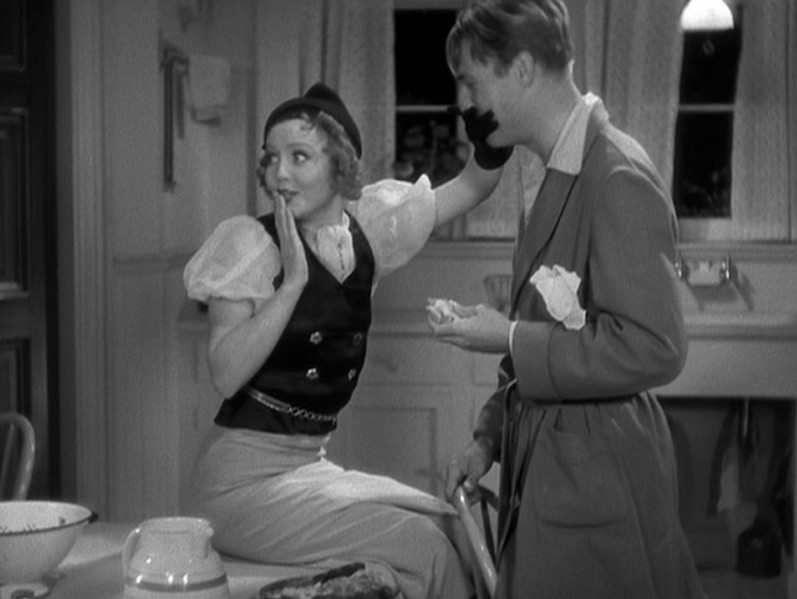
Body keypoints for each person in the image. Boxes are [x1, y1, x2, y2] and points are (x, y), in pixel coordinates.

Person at [183, 82, 505, 599]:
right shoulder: (249, 244)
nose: (279, 173)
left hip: (308, 468)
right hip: (238, 486)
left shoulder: (368, 235)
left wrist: (490, 130)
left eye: (299, 156)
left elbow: (473, 186)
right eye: (271, 157)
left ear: (341, 166)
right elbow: (225, 374)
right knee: (429, 548)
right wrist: (292, 283)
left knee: (453, 527)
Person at [428, 1, 705, 598]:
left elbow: (655, 346)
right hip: (554, 472)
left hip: (601, 479)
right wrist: (487, 439)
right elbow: (540, 334)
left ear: (522, 69)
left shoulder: (617, 175)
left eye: (472, 83)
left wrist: (507, 335)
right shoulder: (551, 174)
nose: (464, 102)